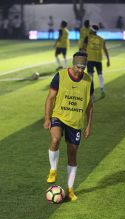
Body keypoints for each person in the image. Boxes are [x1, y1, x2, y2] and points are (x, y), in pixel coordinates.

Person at [43, 51, 93, 201]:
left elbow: (90, 105)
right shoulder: (60, 76)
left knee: (72, 155)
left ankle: (70, 190)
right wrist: (47, 118)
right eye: (78, 67)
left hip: (76, 122)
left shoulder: (88, 80)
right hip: (59, 116)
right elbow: (50, 98)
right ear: (73, 64)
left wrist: (89, 125)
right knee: (55, 139)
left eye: (83, 67)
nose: (80, 70)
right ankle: (53, 170)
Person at [83, 24, 110, 98]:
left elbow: (83, 48)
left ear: (92, 30)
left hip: (90, 60)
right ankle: (102, 90)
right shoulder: (101, 39)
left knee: (90, 77)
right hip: (98, 60)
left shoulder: (87, 38)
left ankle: (92, 94)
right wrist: (108, 60)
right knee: (100, 75)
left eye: (90, 29)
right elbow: (105, 49)